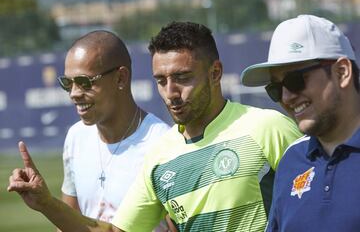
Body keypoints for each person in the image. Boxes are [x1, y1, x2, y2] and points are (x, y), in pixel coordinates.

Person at [8, 22, 302, 231]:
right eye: (161, 81)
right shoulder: (161, 156)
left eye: (183, 77)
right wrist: (46, 203)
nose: (171, 92)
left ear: (215, 73)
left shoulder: (268, 128)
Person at [11, 30, 171, 230]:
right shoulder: (76, 136)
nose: (74, 93)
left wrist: (47, 203)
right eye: (67, 83)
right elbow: (67, 222)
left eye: (85, 82)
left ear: (121, 78)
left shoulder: (163, 145)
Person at [240, 14, 360, 231]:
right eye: (275, 89)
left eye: (295, 80)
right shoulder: (291, 160)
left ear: (342, 72)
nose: (286, 97)